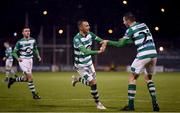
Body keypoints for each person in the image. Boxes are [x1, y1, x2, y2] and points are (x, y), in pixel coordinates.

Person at [101, 12, 160, 111]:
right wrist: (125, 40)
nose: (123, 22)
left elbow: (120, 45)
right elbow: (138, 39)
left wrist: (108, 41)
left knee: (132, 78)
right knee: (148, 78)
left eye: (124, 20)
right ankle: (155, 103)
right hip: (153, 53)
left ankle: (131, 106)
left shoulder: (130, 30)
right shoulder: (143, 25)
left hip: (143, 54)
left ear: (128, 20)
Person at [72, 20, 107, 110]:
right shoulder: (76, 39)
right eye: (86, 26)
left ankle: (77, 79)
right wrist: (99, 51)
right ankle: (98, 103)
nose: (89, 27)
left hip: (89, 63)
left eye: (88, 25)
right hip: (81, 66)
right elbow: (86, 51)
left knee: (92, 83)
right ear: (81, 27)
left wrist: (104, 44)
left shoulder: (90, 34)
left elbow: (101, 40)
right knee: (93, 83)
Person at [8, 27, 41, 99]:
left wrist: (38, 55)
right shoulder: (19, 42)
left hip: (30, 60)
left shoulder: (33, 40)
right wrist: (18, 58)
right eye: (26, 31)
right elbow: (13, 52)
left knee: (26, 79)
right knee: (30, 78)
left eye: (28, 31)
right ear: (23, 33)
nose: (27, 32)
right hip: (23, 61)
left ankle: (13, 80)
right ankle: (34, 95)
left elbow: (35, 48)